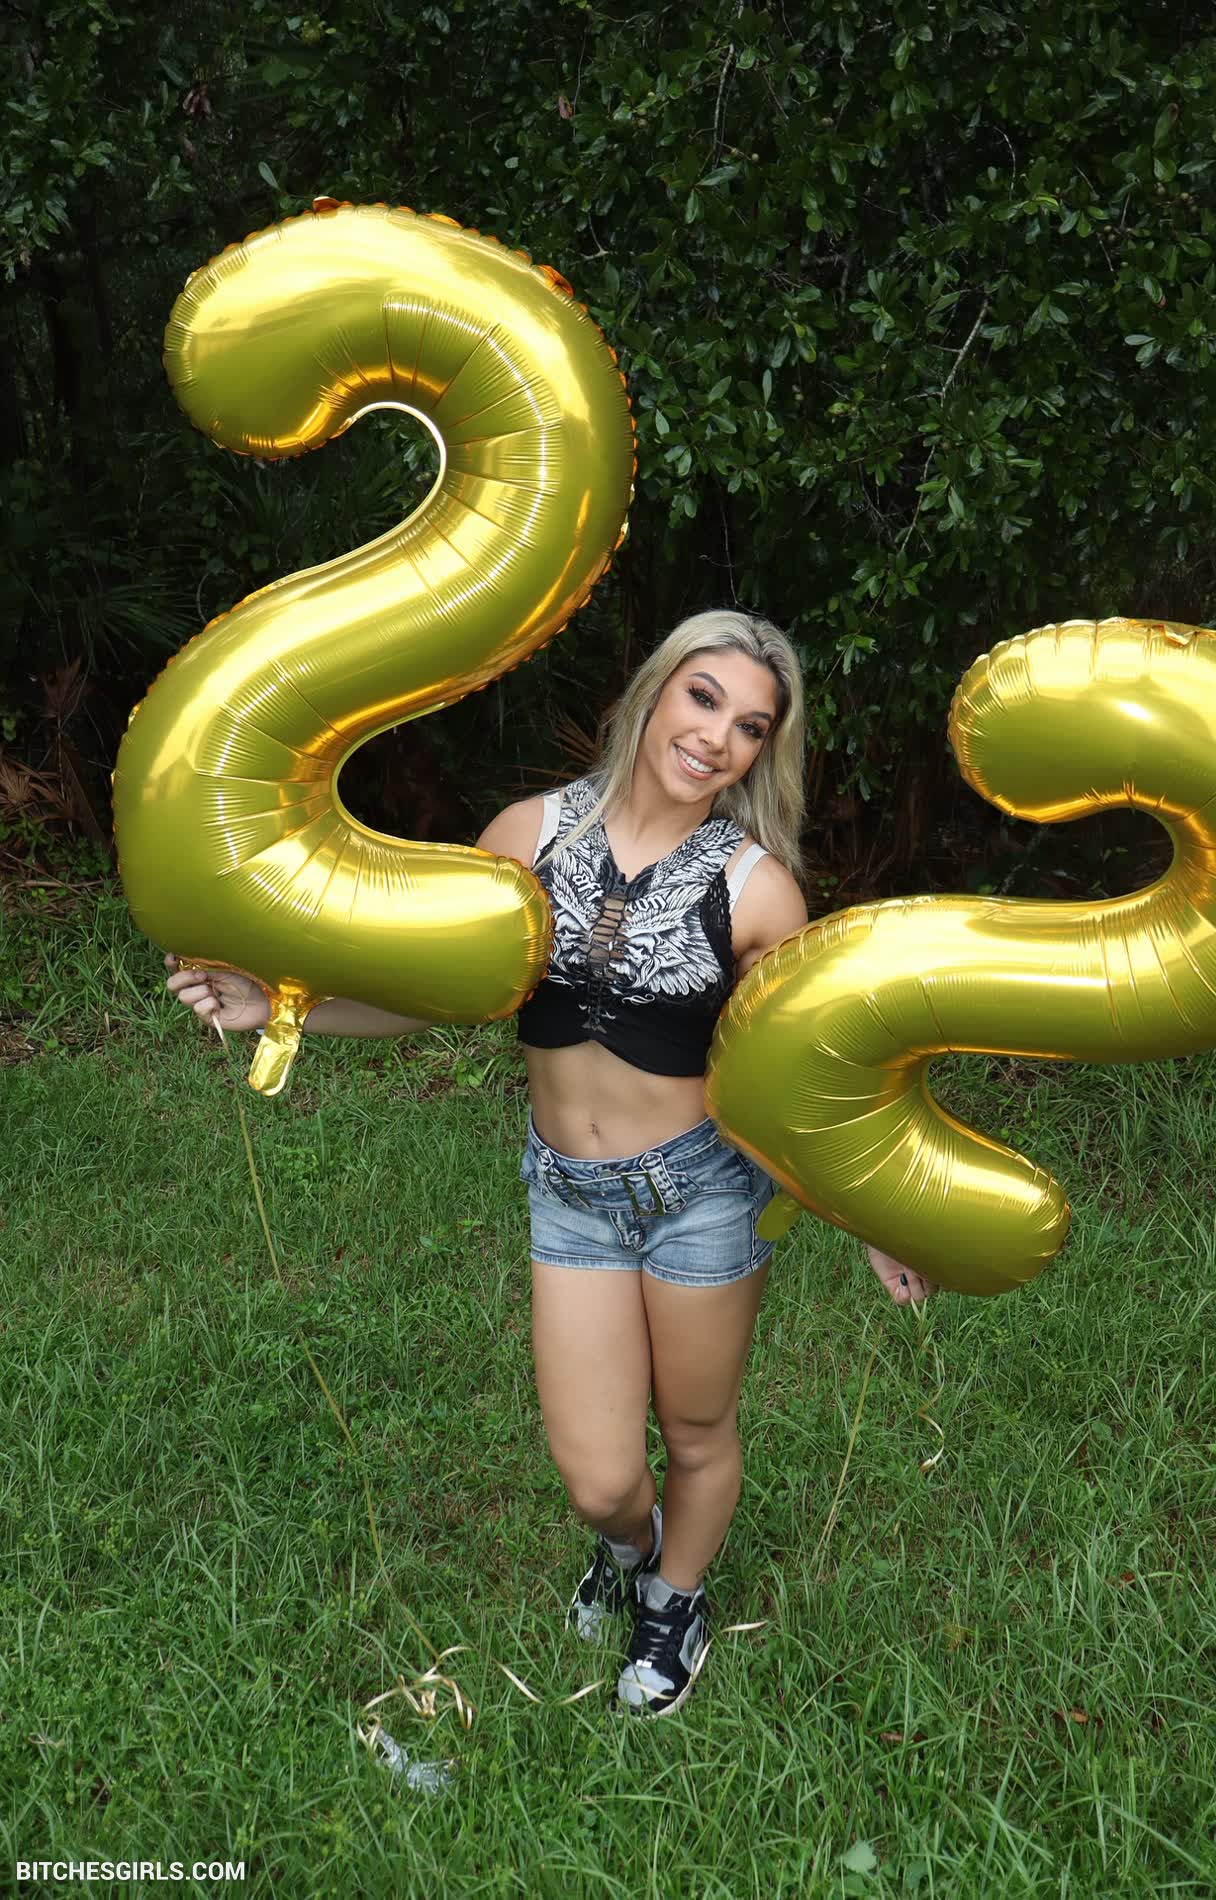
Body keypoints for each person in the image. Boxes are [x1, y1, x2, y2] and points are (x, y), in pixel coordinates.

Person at [165, 607, 938, 1721]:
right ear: (656, 691)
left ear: (764, 752)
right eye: (704, 698)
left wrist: (871, 1213)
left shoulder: (757, 890)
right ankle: (630, 1548)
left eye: (750, 726)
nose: (716, 737)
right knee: (599, 1476)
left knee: (695, 1431)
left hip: (703, 1194)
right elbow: (441, 993)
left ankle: (674, 1603)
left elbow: (800, 1081)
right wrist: (279, 1004)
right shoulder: (528, 837)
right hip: (570, 1195)